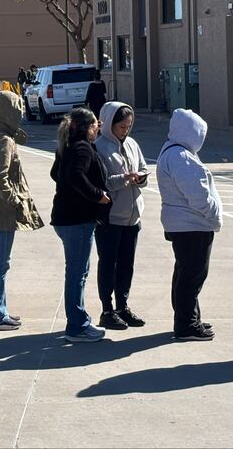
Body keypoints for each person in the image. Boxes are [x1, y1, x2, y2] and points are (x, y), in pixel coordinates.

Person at [158, 108, 223, 342]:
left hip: (184, 224)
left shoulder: (172, 151)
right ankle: (186, 325)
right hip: (192, 224)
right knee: (192, 276)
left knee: (185, 272)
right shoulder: (181, 157)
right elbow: (198, 196)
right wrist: (214, 214)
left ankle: (189, 317)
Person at [0, 91, 44, 330]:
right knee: (0, 264)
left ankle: (0, 310)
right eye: (17, 109)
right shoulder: (2, 140)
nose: (20, 113)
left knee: (1, 263)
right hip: (3, 210)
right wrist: (14, 200)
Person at [50, 107, 111, 343]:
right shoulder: (82, 148)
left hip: (67, 218)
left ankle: (78, 320)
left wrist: (70, 191)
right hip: (77, 220)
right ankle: (77, 326)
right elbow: (76, 176)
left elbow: (56, 173)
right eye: (96, 125)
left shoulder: (67, 146)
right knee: (77, 274)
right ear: (86, 127)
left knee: (77, 272)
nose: (97, 129)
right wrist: (97, 195)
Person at [94, 102, 150, 330]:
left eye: (129, 126)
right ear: (109, 124)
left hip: (133, 216)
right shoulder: (99, 147)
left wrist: (141, 178)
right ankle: (107, 310)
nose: (125, 131)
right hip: (111, 217)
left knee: (127, 264)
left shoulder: (133, 144)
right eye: (121, 127)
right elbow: (101, 182)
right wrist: (124, 179)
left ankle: (122, 306)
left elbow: (144, 168)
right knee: (109, 264)